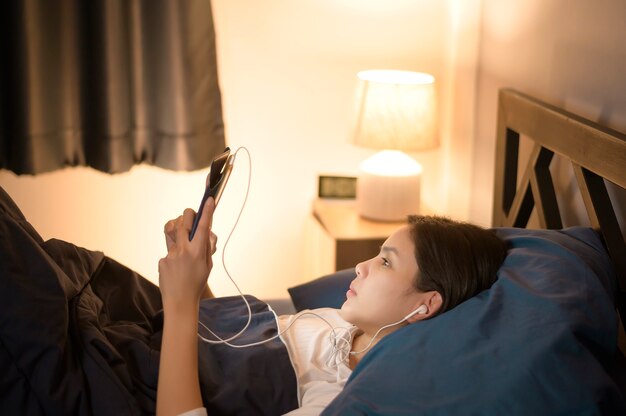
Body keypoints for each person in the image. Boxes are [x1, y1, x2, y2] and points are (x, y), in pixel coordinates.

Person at [155, 198, 508, 416]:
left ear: (424, 306)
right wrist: (196, 279)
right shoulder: (340, 323)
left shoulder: (342, 395)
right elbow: (224, 352)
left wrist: (179, 302)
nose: (360, 267)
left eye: (385, 262)